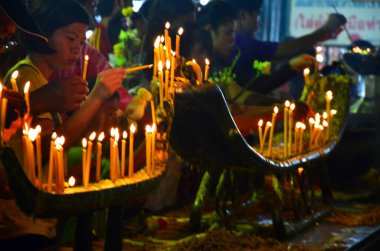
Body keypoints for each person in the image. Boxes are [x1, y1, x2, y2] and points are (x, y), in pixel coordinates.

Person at [0, 0, 126, 249]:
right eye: (70, 39)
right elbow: (49, 148)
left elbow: (63, 142)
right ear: (44, 32)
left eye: (81, 42)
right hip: (21, 222)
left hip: (36, 216)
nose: (77, 50)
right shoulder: (25, 77)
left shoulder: (40, 79)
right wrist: (96, 98)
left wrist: (98, 117)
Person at [197, 0, 316, 105]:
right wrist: (282, 105)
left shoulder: (222, 62)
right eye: (228, 33)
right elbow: (243, 96)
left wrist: (291, 67)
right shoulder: (203, 67)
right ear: (209, 31)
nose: (232, 41)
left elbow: (252, 86)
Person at [228, 0, 347, 85]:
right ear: (242, 15)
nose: (259, 22)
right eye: (257, 15)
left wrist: (321, 36)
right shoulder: (240, 42)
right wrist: (325, 29)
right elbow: (286, 50)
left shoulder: (241, 42)